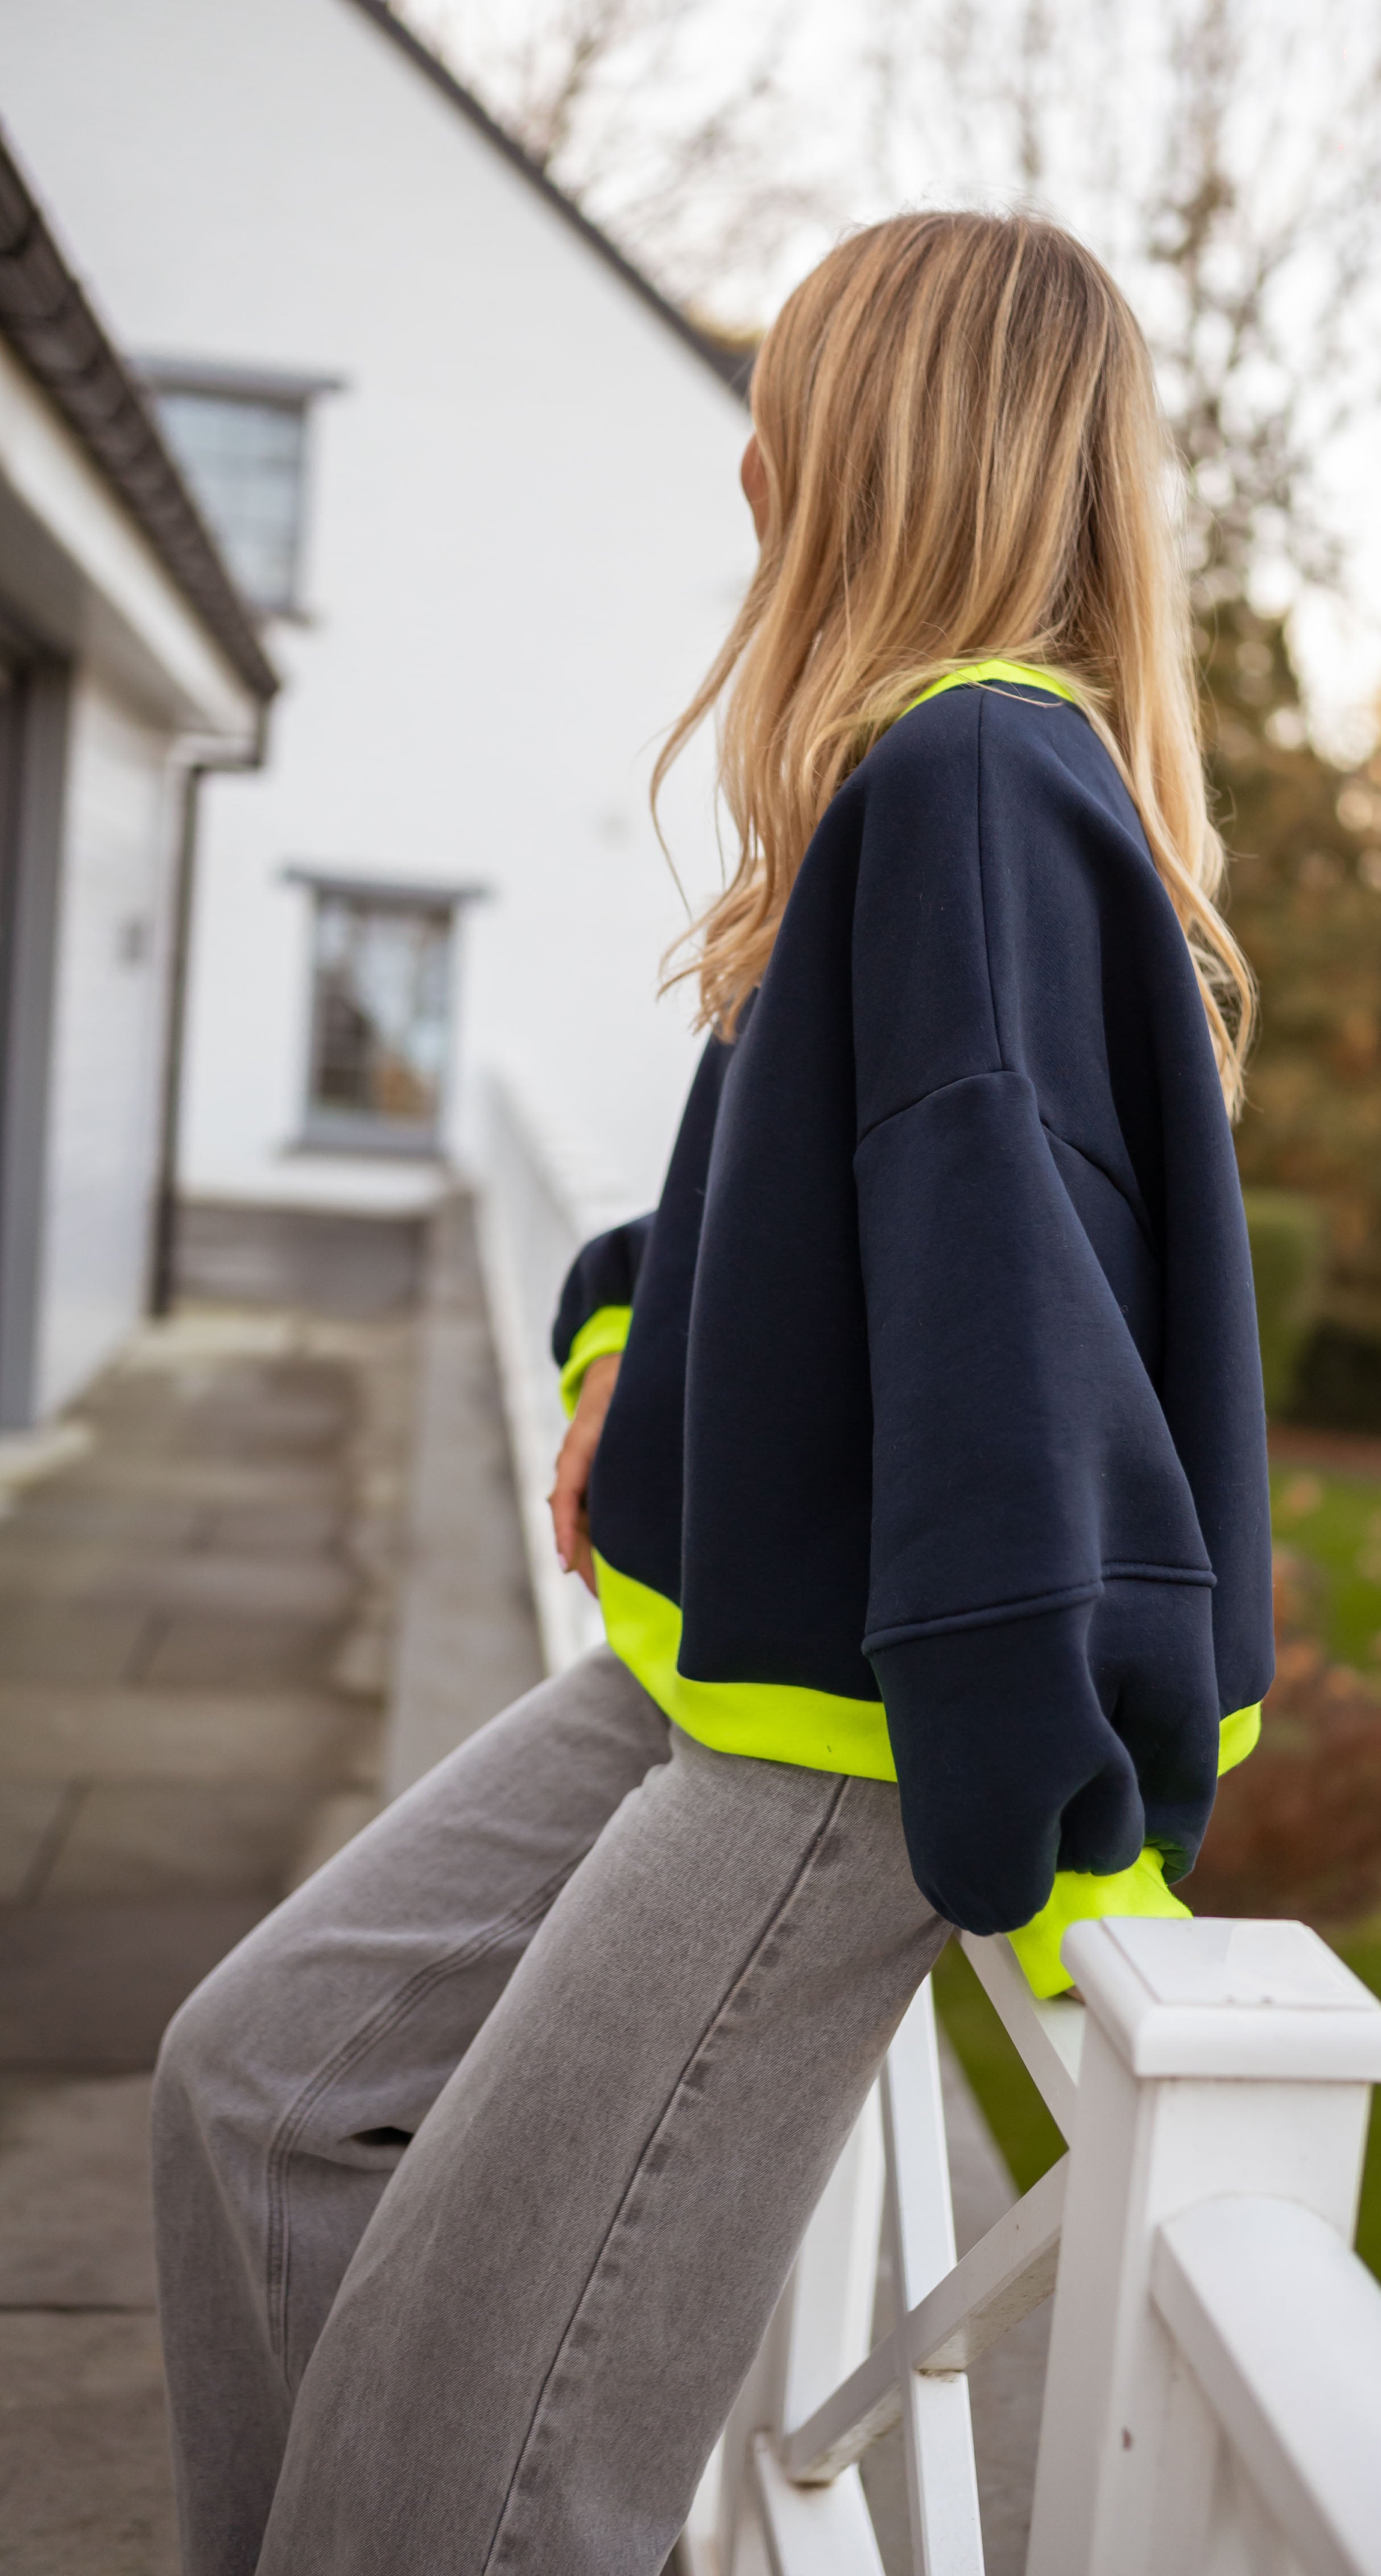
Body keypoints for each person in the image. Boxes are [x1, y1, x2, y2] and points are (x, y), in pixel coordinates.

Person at [151, 209, 1274, 2576]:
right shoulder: (908, 790)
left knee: (456, 2478)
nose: (744, 464)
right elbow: (789, 1222)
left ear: (865, 451)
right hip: (709, 1671)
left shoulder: (970, 779)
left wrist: (1050, 1827)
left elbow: (1016, 1334)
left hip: (838, 1749)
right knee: (254, 2092)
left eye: (781, 410)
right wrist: (617, 1357)